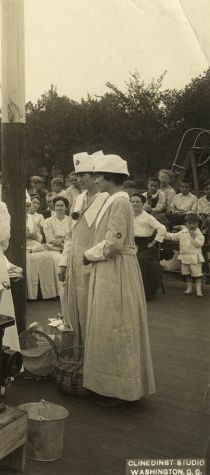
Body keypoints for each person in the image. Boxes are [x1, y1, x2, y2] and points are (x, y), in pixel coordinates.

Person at [83, 154, 155, 403]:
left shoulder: (120, 202)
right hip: (110, 267)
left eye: (99, 176)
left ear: (110, 178)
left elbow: (113, 243)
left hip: (116, 268)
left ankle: (120, 389)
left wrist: (88, 254)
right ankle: (106, 384)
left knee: (116, 324)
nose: (96, 180)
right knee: (107, 323)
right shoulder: (113, 200)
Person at [58, 152, 108, 344]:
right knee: (75, 308)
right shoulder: (79, 199)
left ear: (95, 176)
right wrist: (63, 263)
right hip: (75, 262)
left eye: (83, 175)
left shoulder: (106, 199)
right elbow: (71, 235)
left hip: (95, 262)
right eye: (77, 176)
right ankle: (79, 350)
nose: (79, 180)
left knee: (94, 309)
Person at [131, 193, 167, 300]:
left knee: (141, 261)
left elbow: (162, 229)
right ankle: (129, 291)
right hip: (130, 244)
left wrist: (154, 242)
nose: (135, 204)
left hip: (144, 246)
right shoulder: (128, 215)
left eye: (137, 201)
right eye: (132, 201)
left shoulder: (148, 217)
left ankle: (143, 293)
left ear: (142, 203)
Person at [164, 213, 205, 297]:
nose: (192, 225)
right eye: (190, 223)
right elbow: (173, 236)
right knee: (187, 274)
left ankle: (198, 290)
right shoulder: (183, 232)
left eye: (194, 223)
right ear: (186, 224)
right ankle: (189, 288)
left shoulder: (199, 234)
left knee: (197, 274)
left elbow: (198, 244)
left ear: (198, 223)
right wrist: (164, 234)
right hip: (185, 257)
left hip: (195, 258)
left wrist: (194, 236)